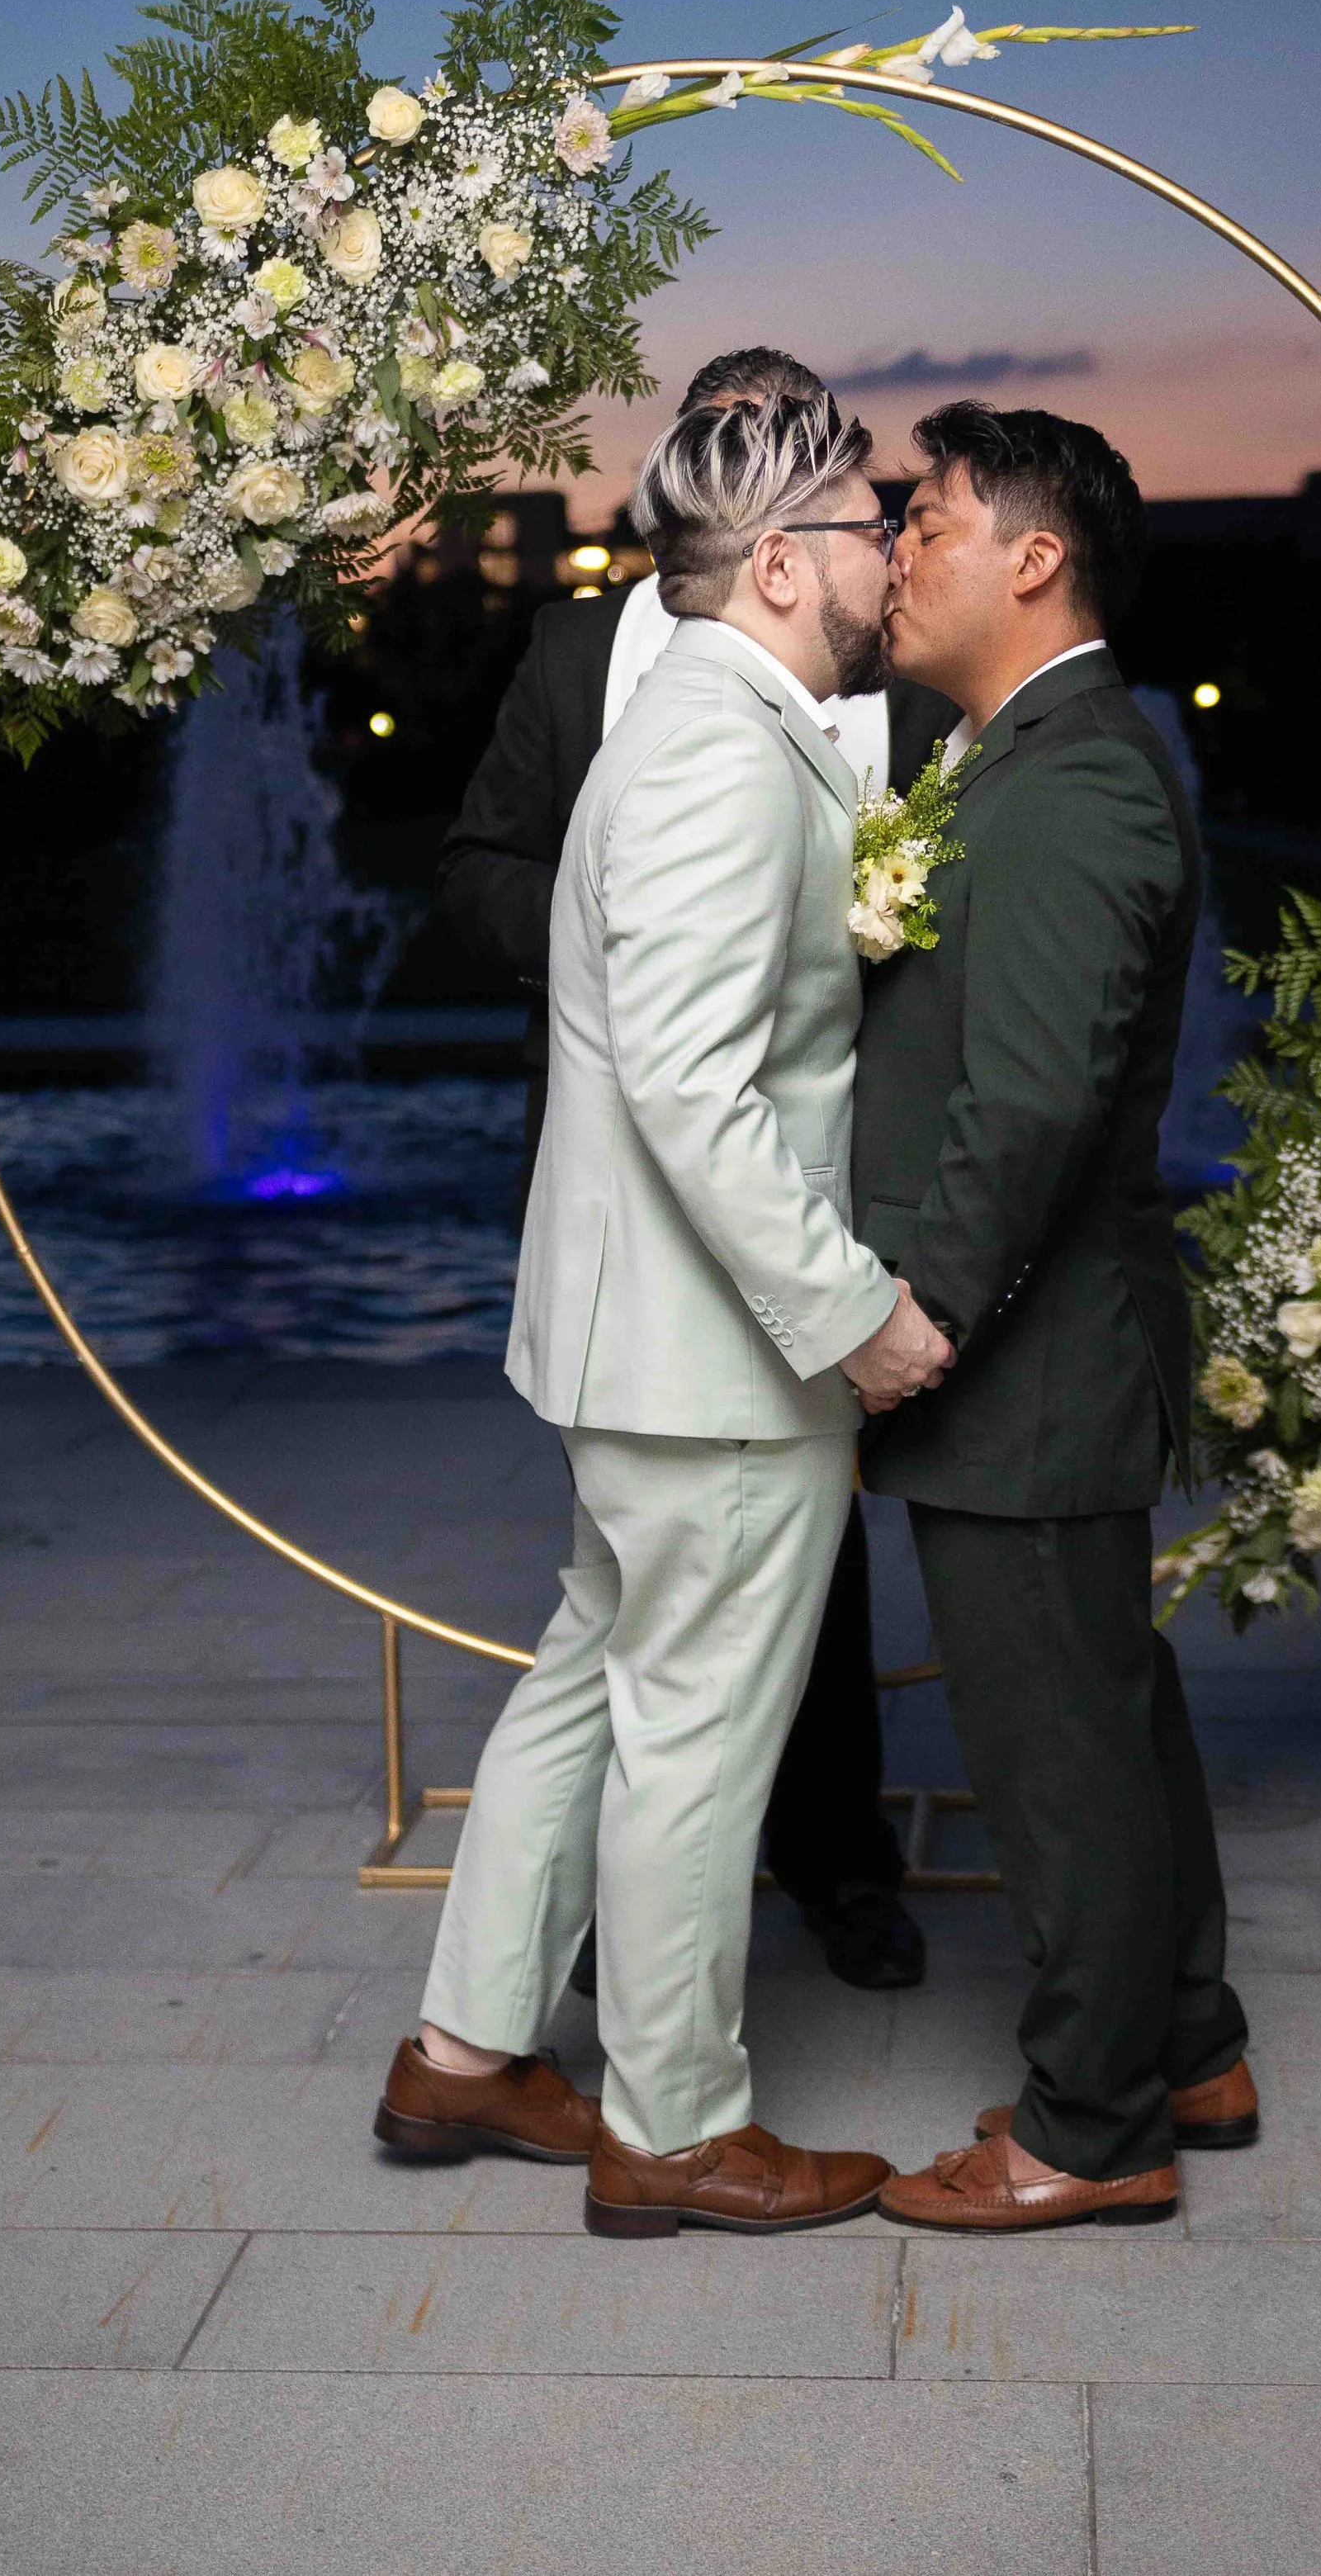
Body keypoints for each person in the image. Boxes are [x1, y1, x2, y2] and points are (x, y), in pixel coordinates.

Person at [377, 394, 953, 2236]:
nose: (889, 554)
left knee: (590, 1681)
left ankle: (466, 2049)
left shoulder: (694, 721)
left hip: (631, 1335)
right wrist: (851, 1314)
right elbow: (697, 1092)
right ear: (778, 563)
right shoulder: (721, 750)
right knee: (694, 1736)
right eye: (865, 527)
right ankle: (675, 2129)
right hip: (710, 1361)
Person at [854, 401, 1255, 2234]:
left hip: (1027, 1360)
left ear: (1034, 558)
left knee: (1056, 1750)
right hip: (1055, 1346)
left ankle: (1092, 2130)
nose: (898, 550)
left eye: (927, 520)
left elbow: (1030, 1103)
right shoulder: (1009, 756)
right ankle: (1189, 2040)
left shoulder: (1072, 777)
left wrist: (921, 1315)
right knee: (1108, 1705)